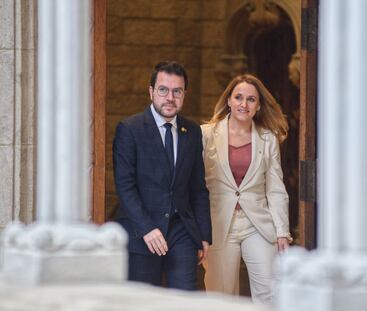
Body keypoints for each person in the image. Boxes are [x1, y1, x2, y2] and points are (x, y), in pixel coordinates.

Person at [113, 61, 211, 290]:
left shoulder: (192, 131)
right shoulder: (130, 129)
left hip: (182, 232)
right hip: (141, 232)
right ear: (151, 91)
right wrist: (147, 228)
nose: (170, 97)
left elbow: (198, 187)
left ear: (184, 94)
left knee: (184, 301)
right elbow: (125, 186)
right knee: (144, 303)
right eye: (163, 90)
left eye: (177, 91)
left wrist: (204, 234)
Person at [201, 74, 292, 304]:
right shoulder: (206, 135)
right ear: (228, 101)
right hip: (219, 224)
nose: (244, 104)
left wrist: (282, 231)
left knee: (270, 294)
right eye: (238, 97)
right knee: (221, 297)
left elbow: (275, 188)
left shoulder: (267, 138)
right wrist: (197, 232)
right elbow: (197, 185)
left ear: (259, 106)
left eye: (251, 99)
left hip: (257, 224)